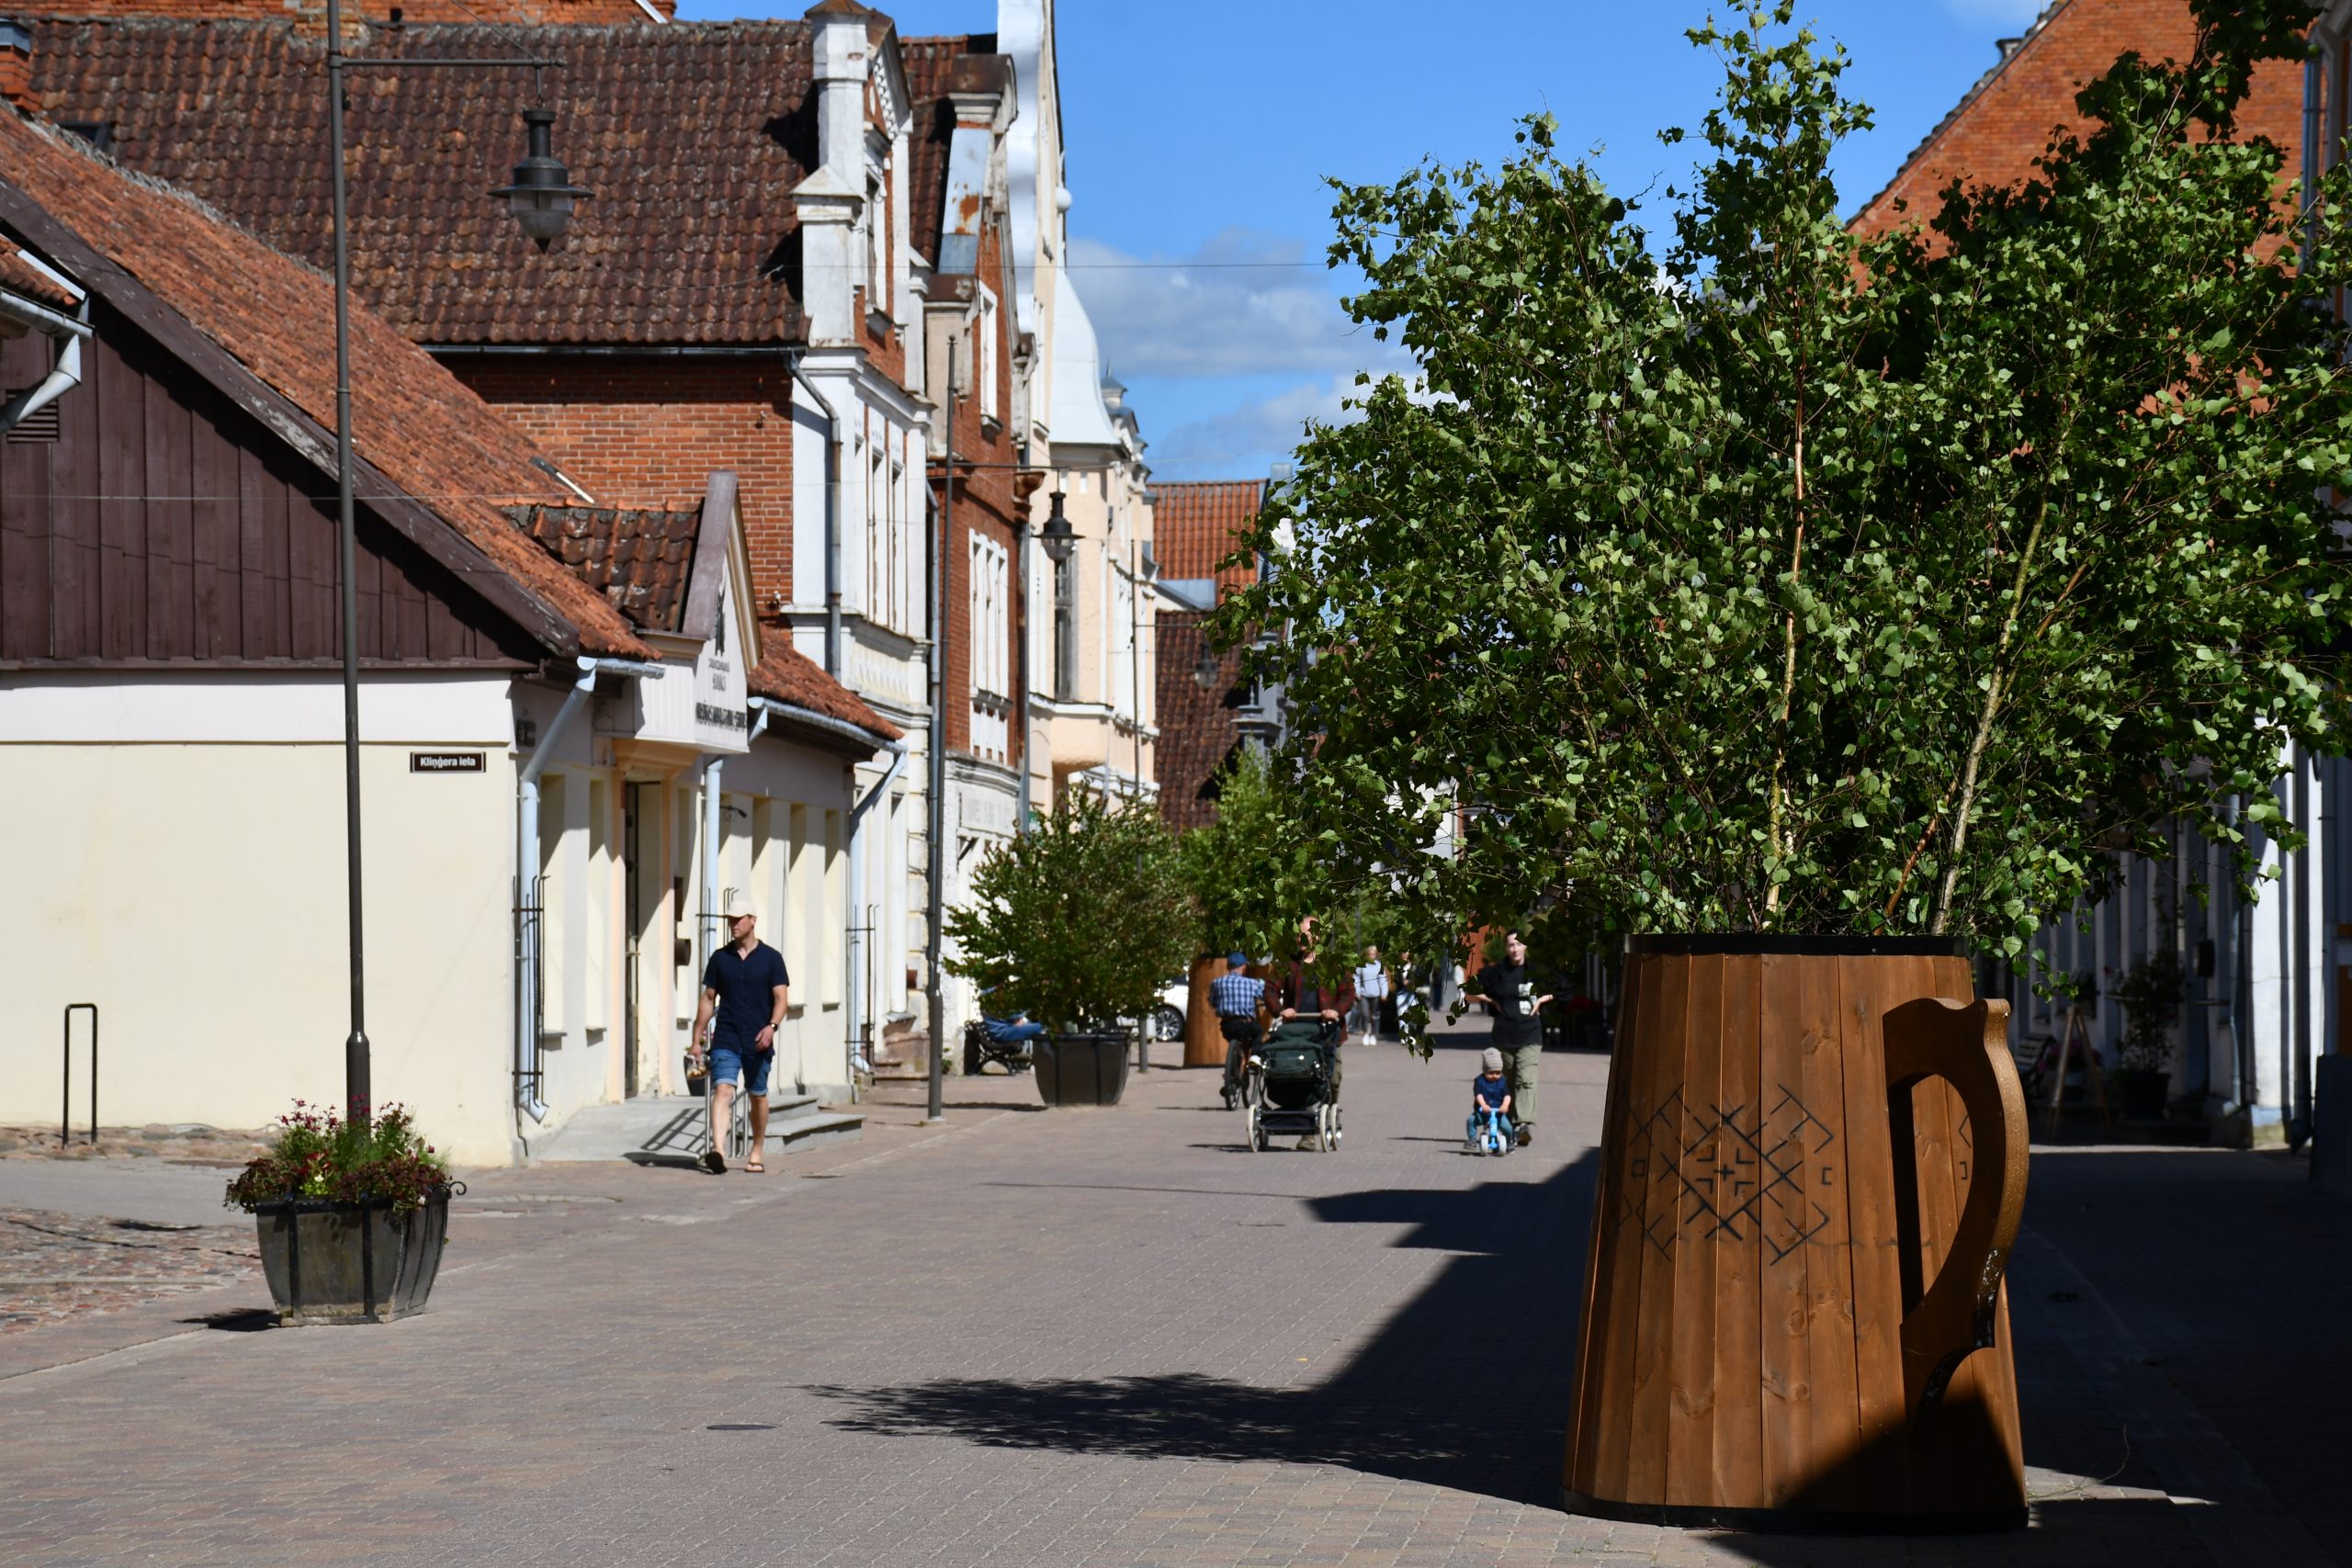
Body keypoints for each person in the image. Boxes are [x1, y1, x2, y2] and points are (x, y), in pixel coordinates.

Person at [690, 890, 790, 1174]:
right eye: (730, 919)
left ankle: (756, 1150)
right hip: (727, 1037)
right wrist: (697, 1040)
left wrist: (772, 1027)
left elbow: (781, 999)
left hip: (759, 1039)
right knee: (723, 1089)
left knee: (758, 1095)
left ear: (752, 920)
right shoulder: (720, 958)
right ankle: (718, 1152)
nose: (733, 924)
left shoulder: (771, 958)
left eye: (738, 919)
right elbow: (708, 999)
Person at [1279, 925, 1355, 1148]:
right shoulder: (1289, 964)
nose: (1301, 939)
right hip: (1299, 1033)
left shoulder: (1333, 964)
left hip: (1328, 1032)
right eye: (1299, 935)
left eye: (1306, 935)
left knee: (1333, 1078)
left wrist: (1336, 1011)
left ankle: (1329, 1112)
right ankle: (1308, 1134)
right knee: (1303, 1079)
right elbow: (1270, 989)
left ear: (1318, 937)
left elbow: (1348, 993)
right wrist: (1280, 1010)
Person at [1472, 930, 1550, 1147]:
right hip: (1503, 1036)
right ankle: (1508, 1123)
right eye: (1510, 945)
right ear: (1506, 948)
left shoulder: (1536, 971)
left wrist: (1542, 999)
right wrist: (1492, 1001)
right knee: (1508, 1081)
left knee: (1526, 1079)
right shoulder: (1498, 972)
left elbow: (1561, 987)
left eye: (1518, 944)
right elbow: (1471, 986)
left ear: (1525, 946)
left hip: (1530, 1034)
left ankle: (1523, 1124)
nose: (1515, 949)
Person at [1209, 951, 1267, 1111]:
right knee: (1258, 1031)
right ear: (1244, 967)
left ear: (1228, 967)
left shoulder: (1217, 983)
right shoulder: (1252, 983)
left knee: (1233, 1039)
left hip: (1228, 1026)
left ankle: (1232, 1072)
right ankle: (1254, 1056)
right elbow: (1264, 995)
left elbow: (1213, 1002)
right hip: (1246, 1024)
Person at [1466, 1045, 1514, 1153]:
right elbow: (1478, 1094)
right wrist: (1483, 1105)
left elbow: (1507, 1095)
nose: (1494, 1075)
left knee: (1507, 1128)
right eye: (1490, 1073)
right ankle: (1472, 1140)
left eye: (1497, 1073)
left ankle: (1508, 1142)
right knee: (1471, 1120)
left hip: (1498, 1113)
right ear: (1484, 1070)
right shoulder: (1479, 1081)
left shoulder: (1502, 1081)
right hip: (1483, 1112)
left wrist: (1505, 1105)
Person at [1351, 945, 1390, 1045]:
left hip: (1376, 994)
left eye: (1373, 955)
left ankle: (1373, 1034)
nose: (1371, 956)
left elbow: (1383, 980)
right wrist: (1357, 992)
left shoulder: (1379, 966)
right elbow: (1356, 978)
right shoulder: (1361, 965)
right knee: (1364, 1014)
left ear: (1376, 955)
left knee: (1375, 1016)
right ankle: (1365, 1033)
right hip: (1364, 994)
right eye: (1370, 954)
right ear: (1367, 955)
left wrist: (1384, 994)